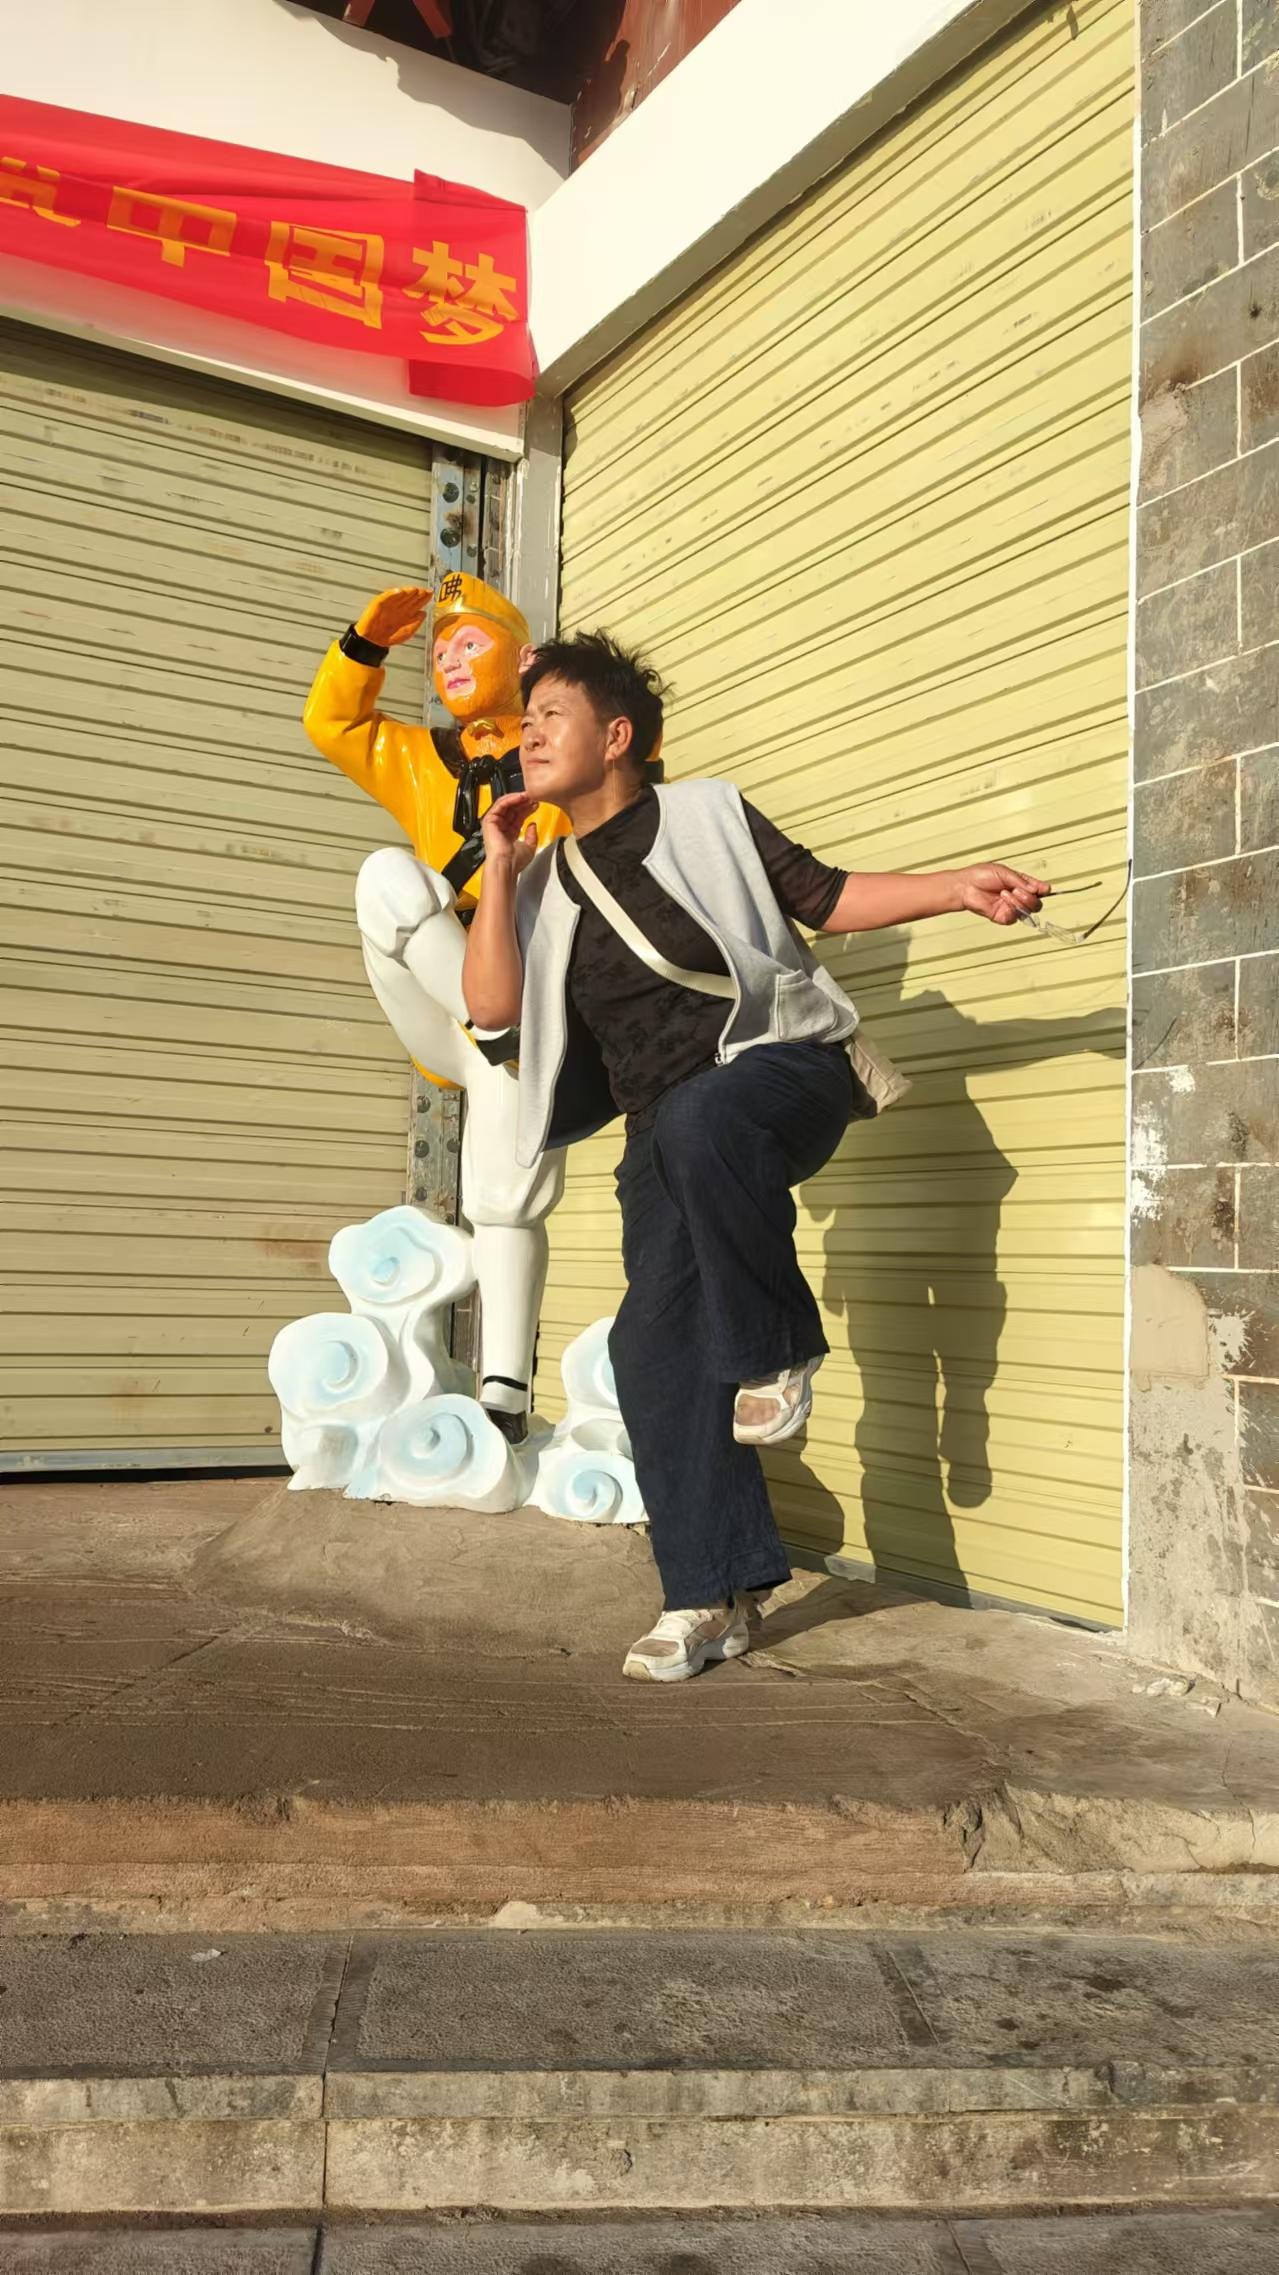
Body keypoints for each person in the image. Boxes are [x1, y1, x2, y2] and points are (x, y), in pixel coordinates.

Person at [462, 633, 1049, 1682]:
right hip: (662, 1134)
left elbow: (824, 896)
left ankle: (776, 1348)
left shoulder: (705, 814)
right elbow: (492, 1008)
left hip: (781, 1069)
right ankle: (710, 1593)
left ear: (617, 735)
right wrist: (500, 867)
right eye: (527, 719)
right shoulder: (544, 880)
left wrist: (956, 888)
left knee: (706, 1120)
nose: (529, 736)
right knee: (650, 1347)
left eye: (552, 715)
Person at [303, 575, 570, 1444]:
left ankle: (504, 1391)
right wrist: (364, 645)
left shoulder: (562, 753)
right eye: (439, 649)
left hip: (531, 997)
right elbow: (332, 724)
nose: (449, 660)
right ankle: (494, 1026)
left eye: (471, 643)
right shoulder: (422, 757)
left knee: (504, 1196)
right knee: (383, 874)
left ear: (524, 659)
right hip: (456, 995)